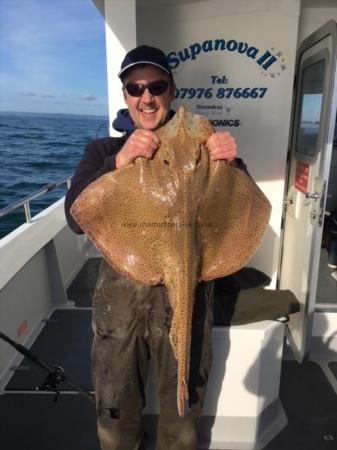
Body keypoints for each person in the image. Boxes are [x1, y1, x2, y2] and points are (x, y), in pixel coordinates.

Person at [65, 45, 245, 450]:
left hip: (186, 294)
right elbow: (75, 220)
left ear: (172, 90)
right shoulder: (104, 151)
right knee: (115, 406)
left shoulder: (202, 148)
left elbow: (237, 210)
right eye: (135, 88)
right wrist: (120, 163)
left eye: (156, 86)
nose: (146, 97)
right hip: (120, 301)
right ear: (126, 95)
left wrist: (230, 164)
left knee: (182, 410)